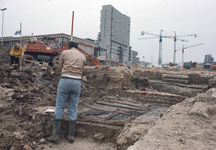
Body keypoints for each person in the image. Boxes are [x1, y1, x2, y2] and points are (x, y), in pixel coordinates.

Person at [47, 40, 86, 143]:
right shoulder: (82, 56)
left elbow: (60, 67)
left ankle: (55, 136)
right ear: (77, 47)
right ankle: (71, 136)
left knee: (60, 106)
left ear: (69, 46)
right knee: (73, 107)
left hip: (65, 80)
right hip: (77, 81)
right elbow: (82, 68)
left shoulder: (64, 53)